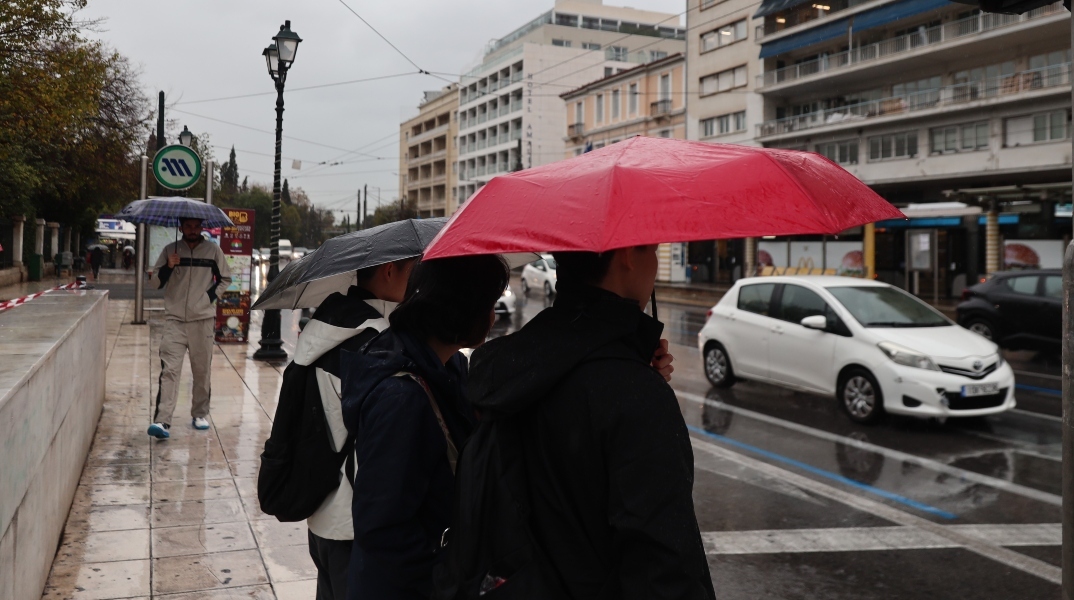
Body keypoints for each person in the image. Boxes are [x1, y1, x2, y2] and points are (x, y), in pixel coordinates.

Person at [459, 245, 715, 599]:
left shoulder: (511, 370)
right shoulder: (632, 394)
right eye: (652, 250)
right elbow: (661, 568)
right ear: (626, 254)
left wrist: (629, 362)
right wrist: (633, 381)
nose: (655, 264)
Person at [340, 255, 509, 599]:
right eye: (489, 303)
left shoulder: (449, 367)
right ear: (464, 308)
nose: (494, 316)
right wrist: (445, 574)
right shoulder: (402, 398)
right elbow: (383, 528)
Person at [296, 258, 416, 600]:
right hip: (355, 521)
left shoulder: (323, 328)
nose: (417, 279)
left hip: (322, 511)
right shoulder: (375, 344)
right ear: (389, 270)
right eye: (413, 270)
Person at [145, 218, 231, 439]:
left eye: (196, 226)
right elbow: (155, 283)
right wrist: (168, 266)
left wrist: (208, 298)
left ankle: (199, 413)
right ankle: (162, 421)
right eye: (188, 226)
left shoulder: (213, 251)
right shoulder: (169, 250)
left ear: (201, 227)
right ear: (180, 227)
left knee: (201, 371)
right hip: (174, 321)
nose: (192, 230)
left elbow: (225, 278)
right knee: (170, 371)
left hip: (202, 321)